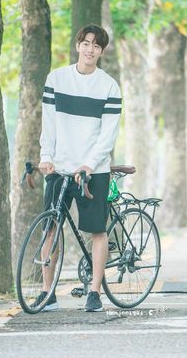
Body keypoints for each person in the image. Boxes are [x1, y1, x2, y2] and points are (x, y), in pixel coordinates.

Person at [38, 24, 122, 312]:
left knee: (96, 231)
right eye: (86, 43)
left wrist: (89, 163)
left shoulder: (109, 86)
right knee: (51, 228)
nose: (90, 49)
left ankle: (95, 293)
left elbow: (107, 135)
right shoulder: (56, 79)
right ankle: (47, 293)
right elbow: (48, 124)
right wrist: (46, 156)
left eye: (96, 46)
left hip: (93, 172)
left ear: (101, 51)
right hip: (60, 169)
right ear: (77, 46)